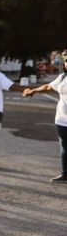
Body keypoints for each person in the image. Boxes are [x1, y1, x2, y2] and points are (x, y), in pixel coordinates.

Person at [24, 49, 67, 183]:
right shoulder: (63, 77)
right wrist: (33, 91)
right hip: (62, 119)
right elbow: (49, 86)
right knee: (64, 147)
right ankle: (65, 174)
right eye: (66, 61)